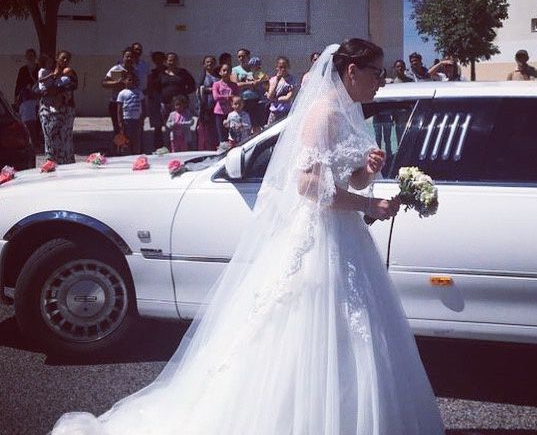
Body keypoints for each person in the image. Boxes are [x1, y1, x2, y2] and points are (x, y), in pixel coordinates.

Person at [51, 38, 444, 435]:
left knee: (353, 333)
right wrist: (367, 206)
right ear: (352, 71)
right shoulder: (323, 113)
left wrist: (368, 171)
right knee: (304, 330)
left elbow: (340, 179)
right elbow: (308, 185)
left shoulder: (350, 111)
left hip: (344, 239)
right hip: (317, 243)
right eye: (377, 73)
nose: (382, 80)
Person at [39, 50, 77, 165]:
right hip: (48, 109)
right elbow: (42, 90)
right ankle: (51, 164)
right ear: (57, 58)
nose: (65, 61)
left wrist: (57, 89)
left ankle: (67, 164)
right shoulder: (47, 72)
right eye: (63, 58)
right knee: (50, 138)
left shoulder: (70, 73)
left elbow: (73, 86)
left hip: (66, 110)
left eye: (67, 59)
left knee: (66, 139)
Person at [158, 52, 196, 146]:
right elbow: (157, 88)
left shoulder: (183, 73)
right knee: (169, 127)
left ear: (177, 61)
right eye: (170, 60)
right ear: (166, 62)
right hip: (166, 105)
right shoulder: (162, 74)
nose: (172, 62)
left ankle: (185, 147)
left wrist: (183, 96)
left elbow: (192, 86)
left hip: (181, 105)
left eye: (174, 60)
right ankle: (170, 146)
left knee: (183, 127)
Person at [103, 47, 137, 136]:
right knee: (118, 129)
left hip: (130, 104)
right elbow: (104, 83)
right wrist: (116, 83)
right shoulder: (116, 68)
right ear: (123, 57)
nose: (129, 59)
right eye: (127, 56)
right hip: (116, 103)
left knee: (130, 130)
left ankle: (130, 149)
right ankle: (118, 149)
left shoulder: (135, 70)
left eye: (131, 57)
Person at [13, 48, 41, 148]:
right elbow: (18, 85)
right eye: (28, 55)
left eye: (31, 55)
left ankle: (37, 140)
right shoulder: (23, 70)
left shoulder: (39, 69)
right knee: (27, 121)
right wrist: (17, 97)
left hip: (37, 98)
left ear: (35, 57)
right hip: (26, 100)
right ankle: (31, 140)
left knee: (37, 121)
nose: (30, 57)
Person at [231, 48, 262, 130]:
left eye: (243, 56)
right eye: (239, 56)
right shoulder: (235, 70)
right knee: (244, 125)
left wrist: (258, 82)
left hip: (255, 100)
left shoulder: (255, 68)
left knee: (256, 125)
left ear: (248, 57)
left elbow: (264, 79)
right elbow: (236, 85)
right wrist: (250, 83)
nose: (241, 58)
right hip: (242, 102)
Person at [116, 72, 144, 155]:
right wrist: (120, 122)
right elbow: (119, 109)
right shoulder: (122, 93)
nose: (131, 82)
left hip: (136, 119)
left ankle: (136, 154)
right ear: (124, 81)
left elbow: (143, 106)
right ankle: (127, 155)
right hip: (126, 119)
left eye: (133, 80)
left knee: (136, 139)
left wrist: (142, 118)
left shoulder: (139, 92)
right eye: (129, 80)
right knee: (126, 139)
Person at [195, 55, 219, 150]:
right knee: (205, 133)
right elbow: (199, 92)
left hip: (216, 108)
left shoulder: (218, 77)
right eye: (207, 62)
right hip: (205, 109)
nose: (210, 64)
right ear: (204, 64)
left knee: (214, 131)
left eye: (212, 62)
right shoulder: (202, 78)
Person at [212, 63, 239, 146]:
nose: (226, 72)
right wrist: (228, 97)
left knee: (231, 135)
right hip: (219, 113)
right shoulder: (216, 84)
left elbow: (237, 97)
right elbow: (216, 97)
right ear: (220, 72)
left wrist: (230, 97)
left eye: (228, 70)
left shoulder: (234, 85)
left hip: (230, 113)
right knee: (222, 136)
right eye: (224, 70)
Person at [266, 56, 295, 125]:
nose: (283, 69)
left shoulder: (292, 80)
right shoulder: (273, 80)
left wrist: (274, 99)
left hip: (286, 111)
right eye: (281, 67)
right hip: (274, 112)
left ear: (288, 67)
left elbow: (288, 97)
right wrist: (277, 80)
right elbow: (270, 96)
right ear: (277, 68)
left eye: (285, 67)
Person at [131, 42, 150, 150]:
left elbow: (149, 79)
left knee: (141, 120)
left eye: (139, 50)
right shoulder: (126, 64)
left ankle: (140, 147)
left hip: (142, 95)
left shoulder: (144, 64)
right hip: (130, 96)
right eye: (135, 49)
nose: (137, 52)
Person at [147, 51, 167, 150]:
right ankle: (158, 147)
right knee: (157, 126)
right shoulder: (152, 73)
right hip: (156, 100)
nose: (158, 61)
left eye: (160, 58)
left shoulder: (168, 71)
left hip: (167, 99)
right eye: (156, 59)